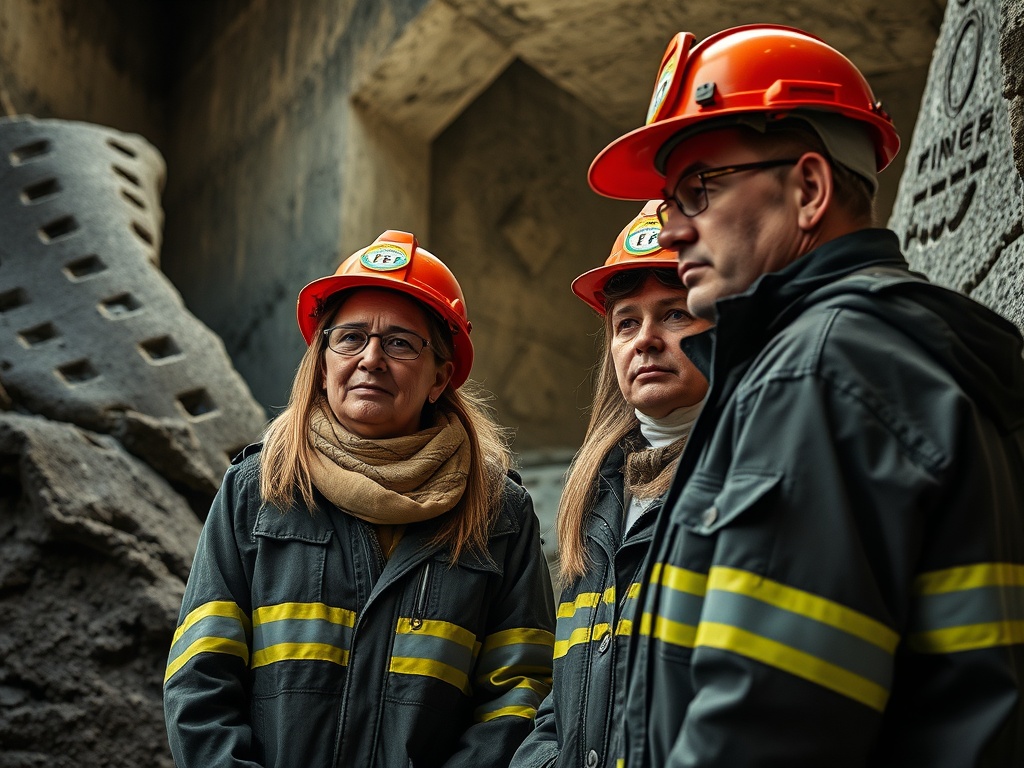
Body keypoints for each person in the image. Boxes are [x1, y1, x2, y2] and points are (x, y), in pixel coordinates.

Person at [585, 23, 1024, 768]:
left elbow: (766, 726)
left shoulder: (817, 371)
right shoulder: (900, 352)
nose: (677, 229)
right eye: (670, 202)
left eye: (699, 188)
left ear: (810, 189)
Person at [163, 230, 556, 768]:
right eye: (350, 338)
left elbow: (519, 694)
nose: (371, 358)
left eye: (400, 342)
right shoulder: (260, 489)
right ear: (323, 364)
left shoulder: (496, 513)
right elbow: (200, 678)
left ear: (441, 377)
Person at [511, 201, 713, 768]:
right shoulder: (596, 499)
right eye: (627, 322)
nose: (645, 338)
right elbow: (561, 708)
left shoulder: (746, 476)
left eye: (675, 314)